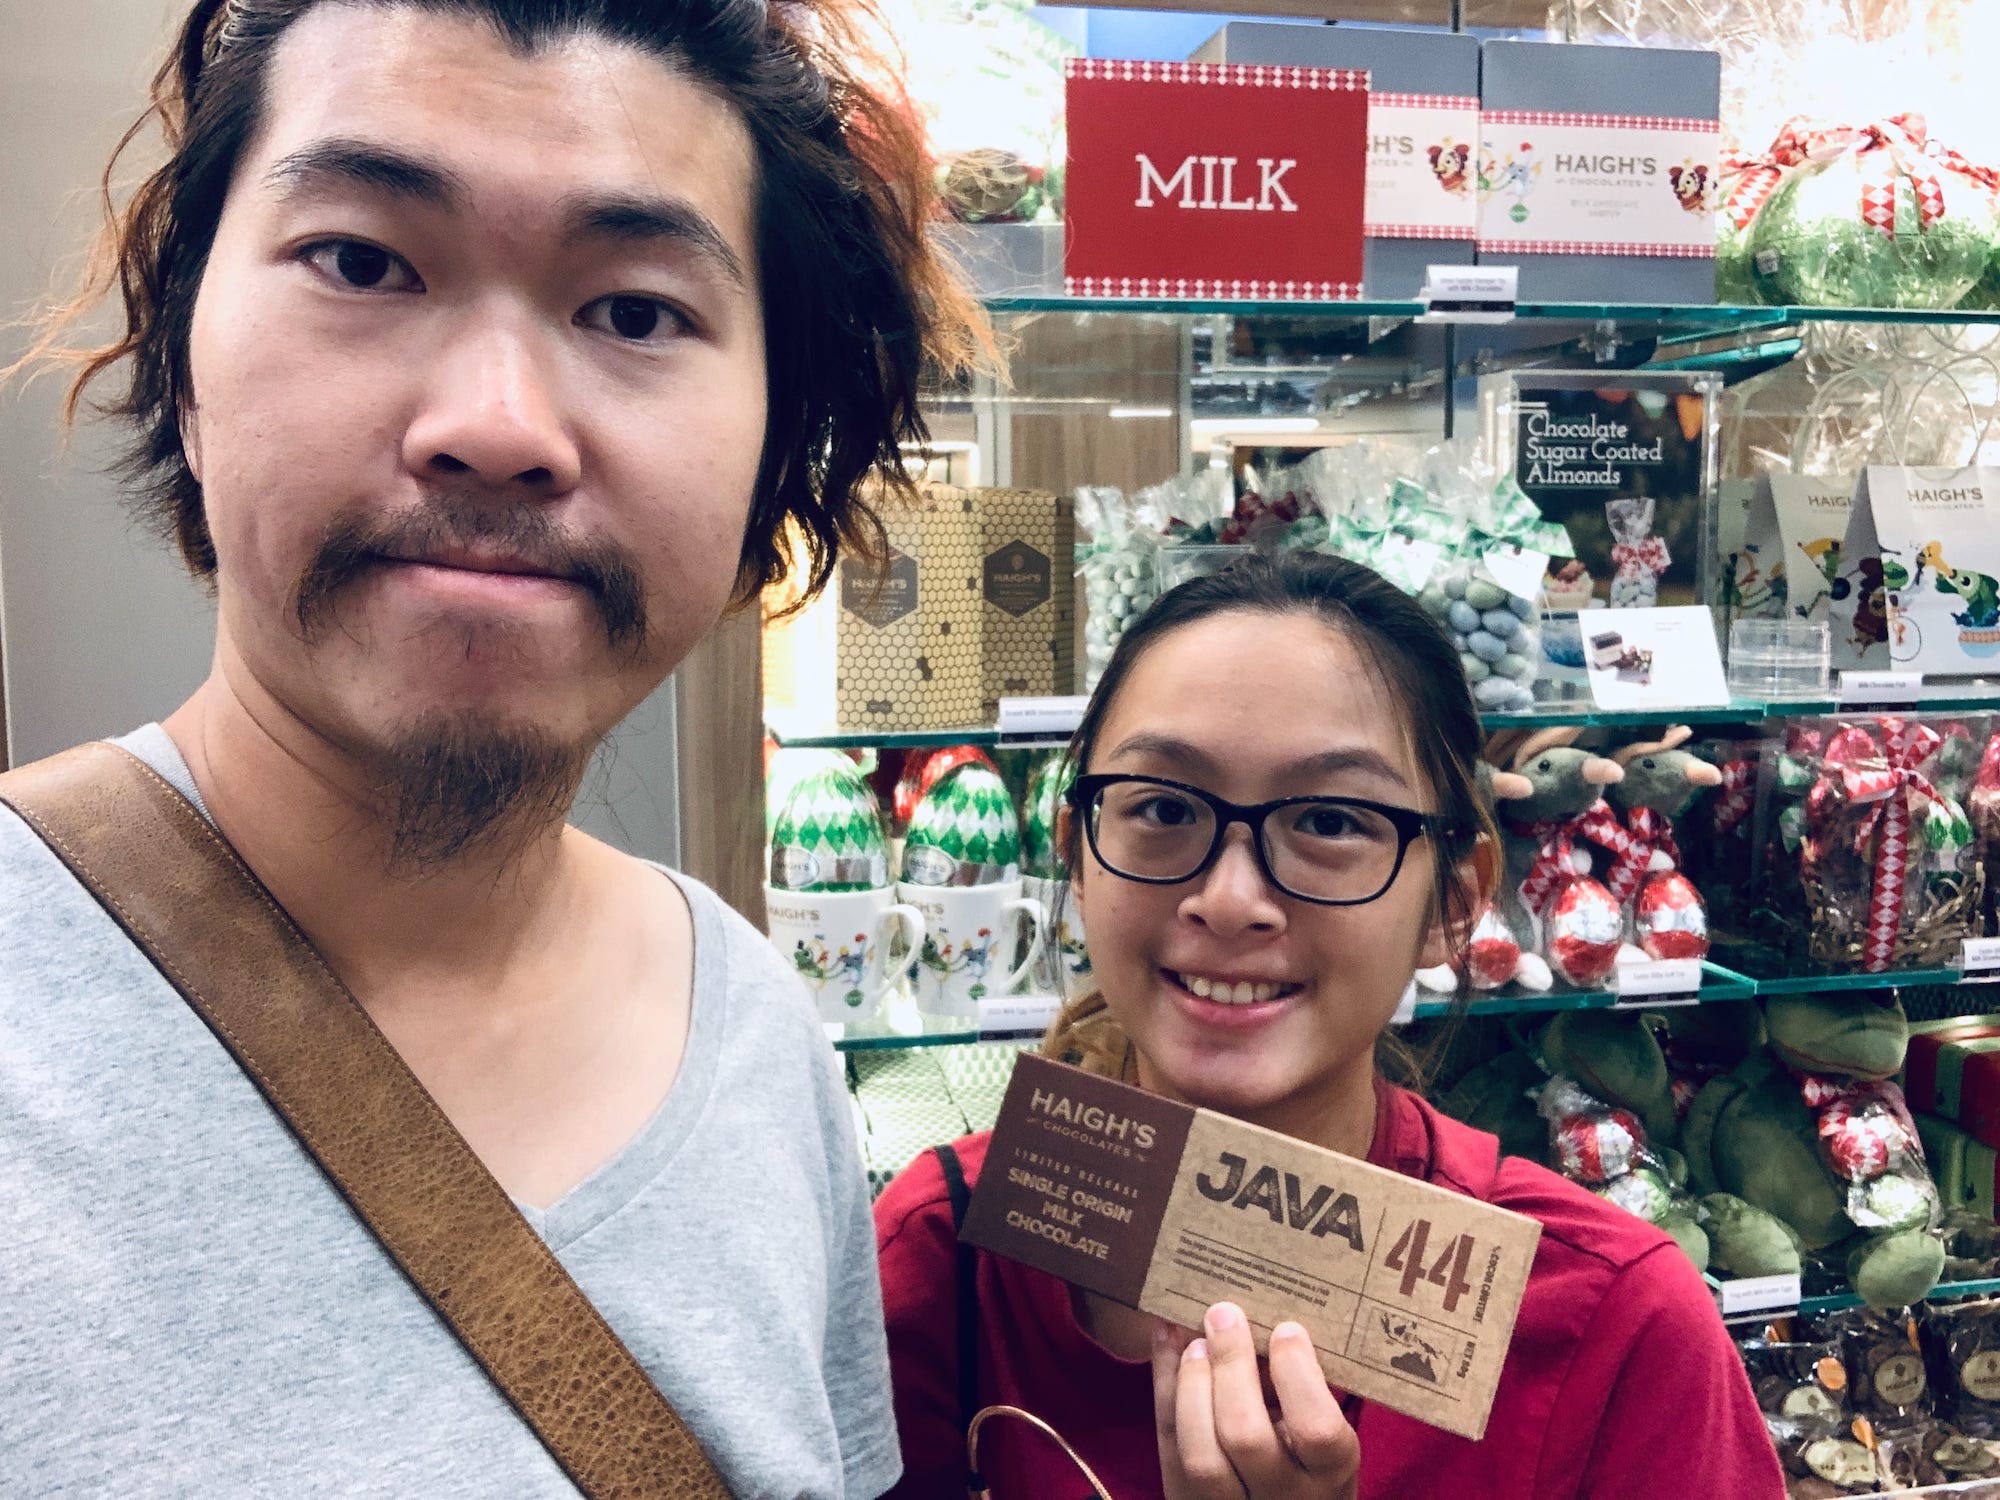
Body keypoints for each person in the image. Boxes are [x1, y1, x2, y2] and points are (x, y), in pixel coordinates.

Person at [1, 0, 979, 1494]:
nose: (499, 425)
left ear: (773, 452)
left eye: (636, 312)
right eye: (361, 262)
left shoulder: (759, 1041)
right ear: (185, 364)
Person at [875, 552, 1785, 1499]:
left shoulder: (1616, 1327)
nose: (1231, 900)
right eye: (1163, 807)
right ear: (1077, 856)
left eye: (1333, 821)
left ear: (1454, 901)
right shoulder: (943, 1258)